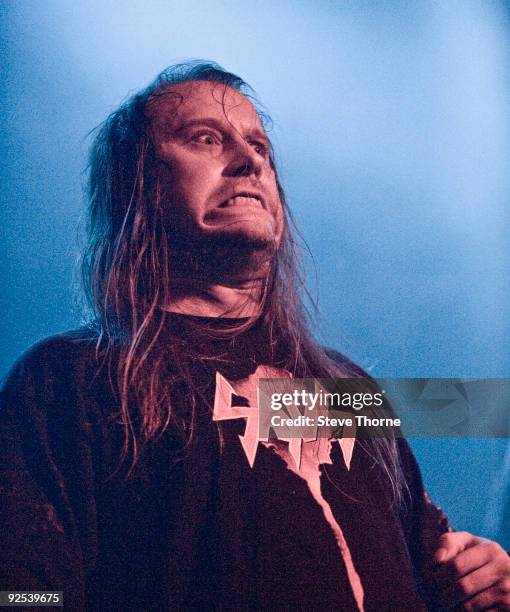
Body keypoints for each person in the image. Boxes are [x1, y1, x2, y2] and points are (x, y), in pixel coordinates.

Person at [1, 61, 509, 611]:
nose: (249, 161)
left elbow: (434, 560)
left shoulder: (342, 386)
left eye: (260, 148)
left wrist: (483, 579)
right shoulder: (68, 379)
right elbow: (25, 592)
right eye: (205, 139)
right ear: (137, 183)